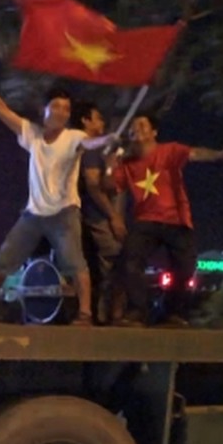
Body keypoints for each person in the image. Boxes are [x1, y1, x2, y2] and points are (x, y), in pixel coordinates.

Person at [0, 48, 119, 326]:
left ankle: (85, 315)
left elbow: (89, 143)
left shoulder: (73, 137)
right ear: (44, 110)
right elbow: (1, 111)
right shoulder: (31, 134)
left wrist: (105, 140)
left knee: (76, 263)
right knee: (2, 263)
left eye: (66, 109)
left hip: (64, 213)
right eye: (56, 107)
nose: (61, 112)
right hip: (33, 215)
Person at [107, 114, 223, 327]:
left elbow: (198, 154)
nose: (137, 129)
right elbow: (111, 187)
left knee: (185, 268)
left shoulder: (169, 151)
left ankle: (170, 312)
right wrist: (109, 165)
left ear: (154, 132)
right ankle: (138, 310)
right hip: (146, 219)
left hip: (177, 219)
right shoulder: (127, 163)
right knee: (129, 261)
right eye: (133, 128)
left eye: (143, 125)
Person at [72, 101, 125, 325]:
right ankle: (110, 314)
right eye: (98, 118)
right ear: (85, 121)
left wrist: (112, 166)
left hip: (91, 216)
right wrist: (113, 216)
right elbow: (93, 185)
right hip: (97, 217)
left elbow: (108, 184)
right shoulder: (90, 149)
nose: (102, 122)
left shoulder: (88, 149)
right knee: (114, 261)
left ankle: (107, 313)